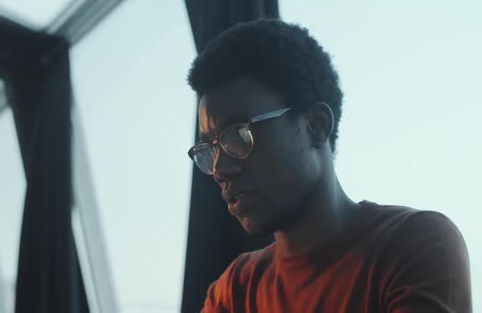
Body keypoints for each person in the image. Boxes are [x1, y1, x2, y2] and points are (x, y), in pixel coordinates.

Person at [186, 19, 471, 312]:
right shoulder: (235, 290)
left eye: (239, 136)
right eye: (210, 149)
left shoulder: (412, 245)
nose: (220, 170)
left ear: (315, 126)